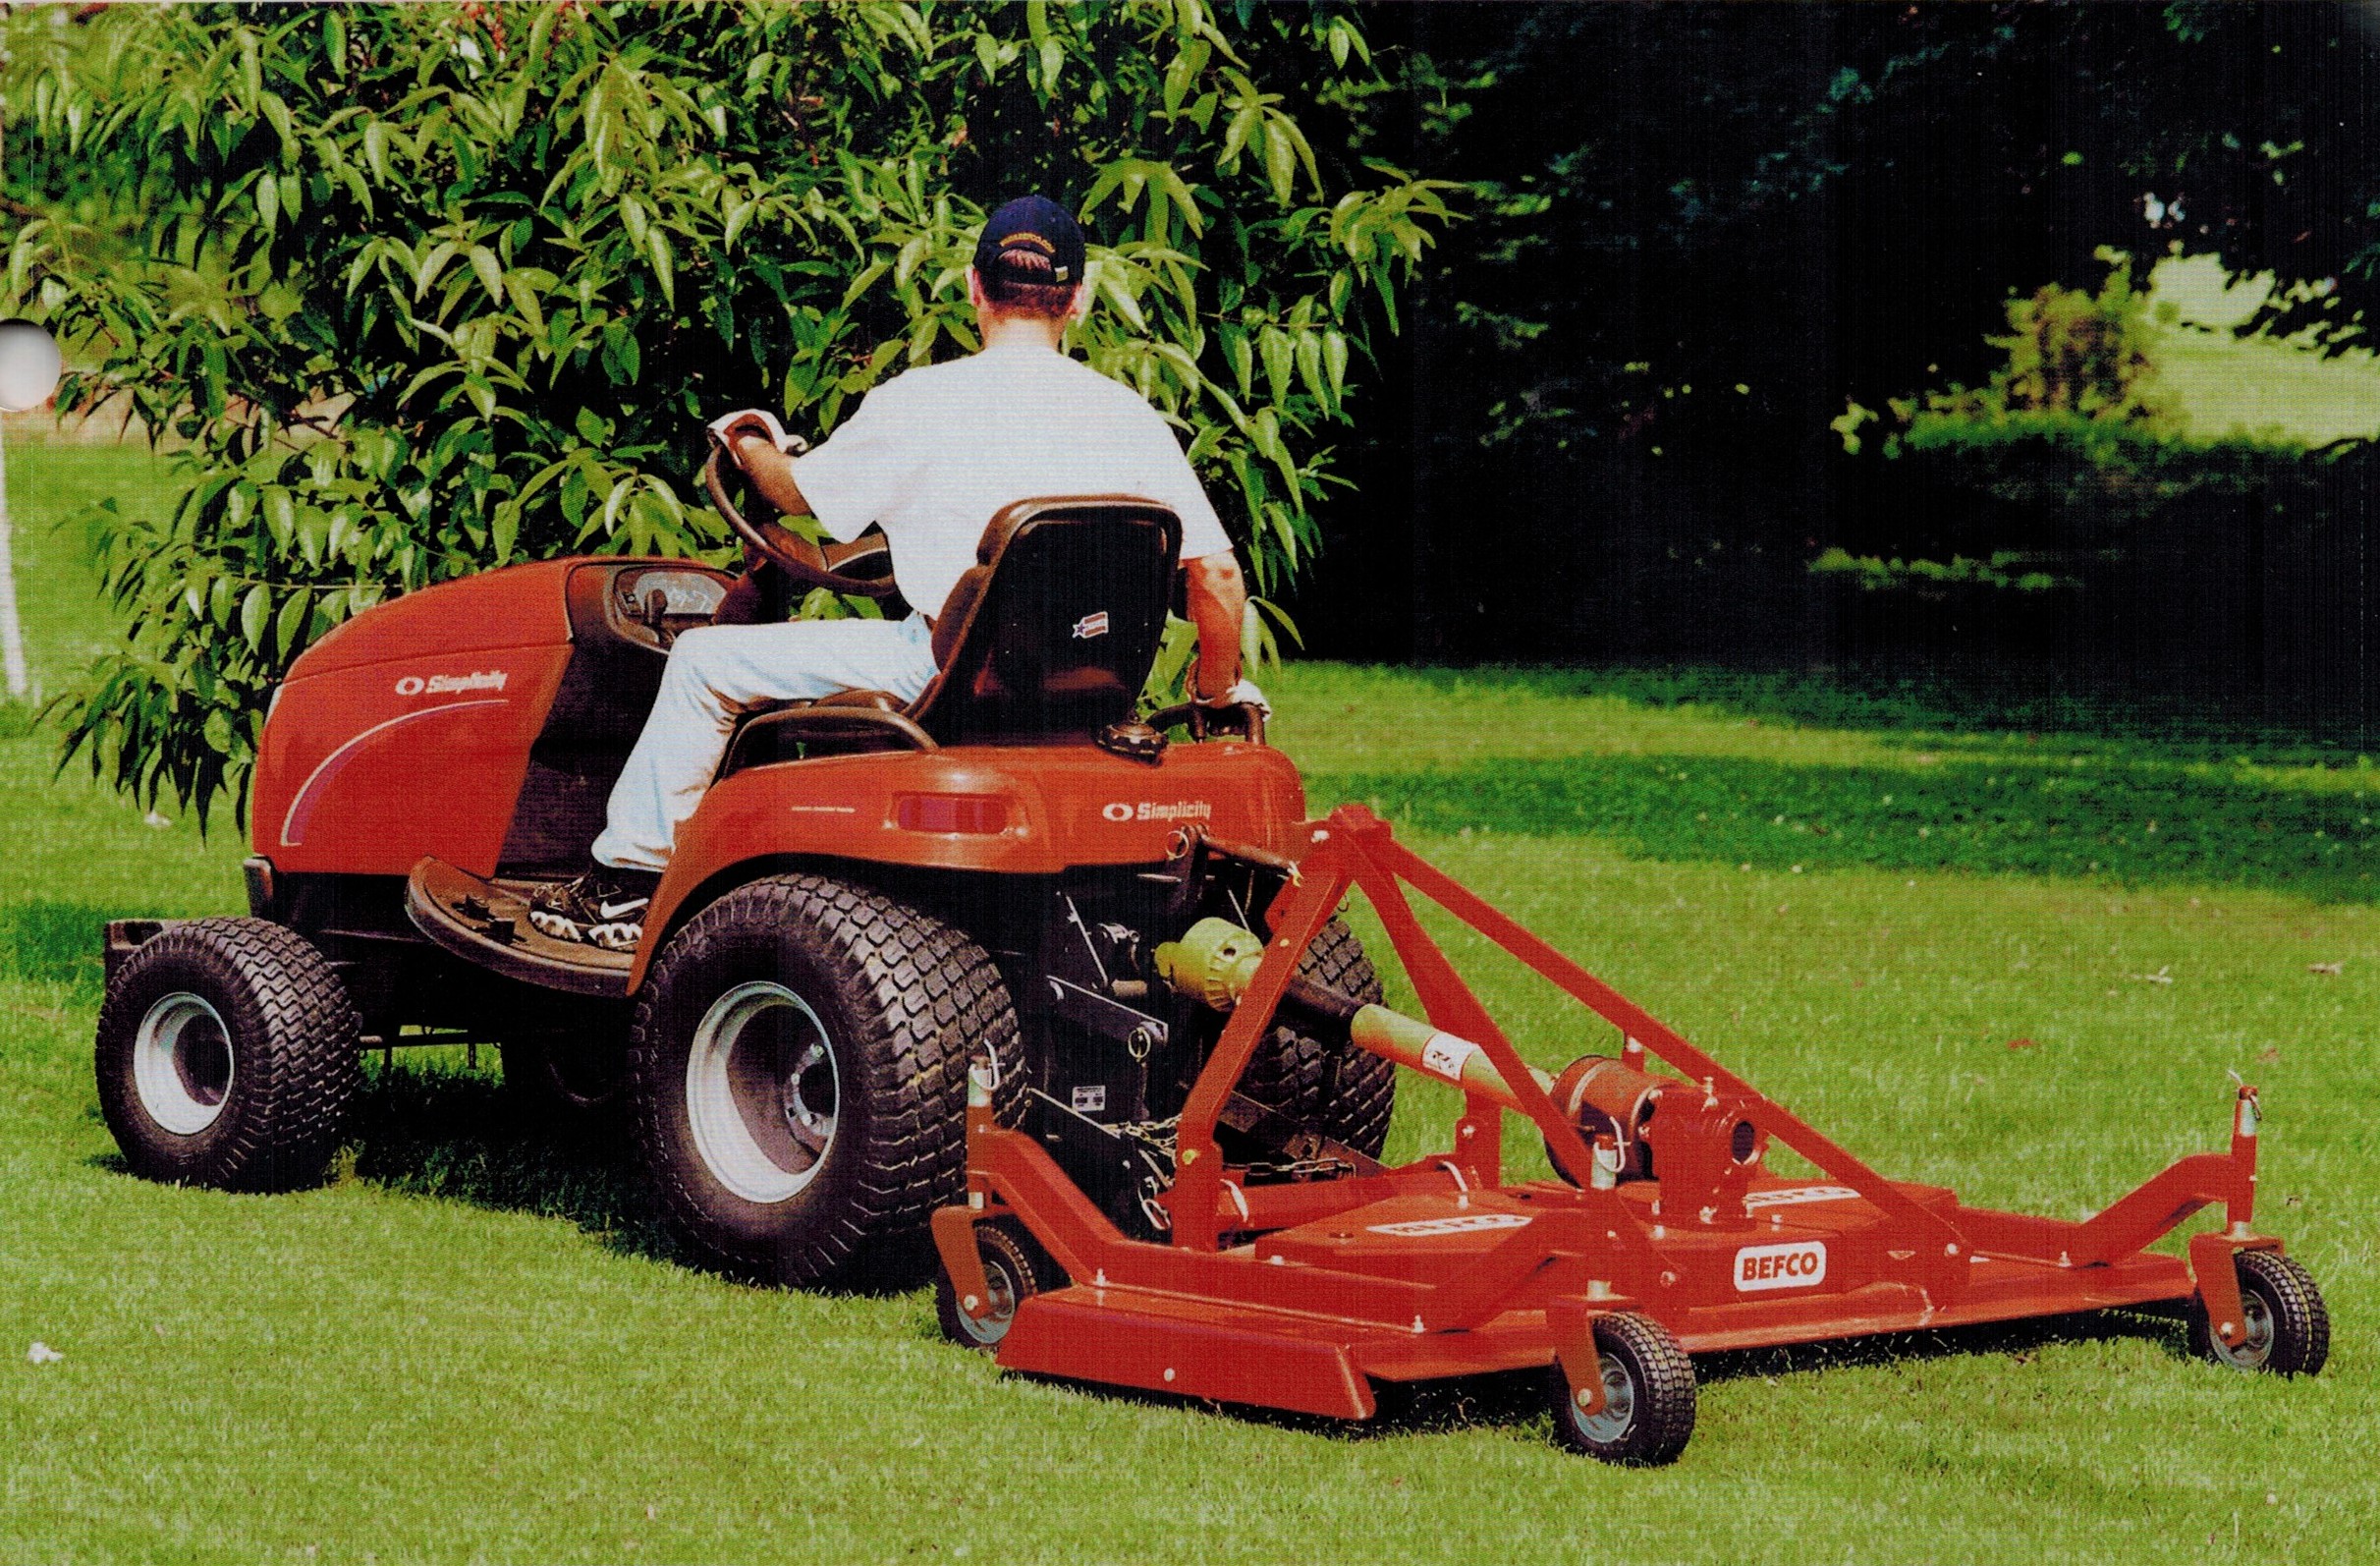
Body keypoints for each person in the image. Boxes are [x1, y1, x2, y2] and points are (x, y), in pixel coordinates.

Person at [529, 196, 1257, 949]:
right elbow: (1217, 579)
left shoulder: (918, 402)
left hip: (948, 670)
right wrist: (1215, 693)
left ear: (973, 288)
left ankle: (629, 883)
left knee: (702, 661)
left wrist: (747, 443)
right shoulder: (1128, 417)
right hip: (1087, 686)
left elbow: (793, 495)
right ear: (1077, 298)